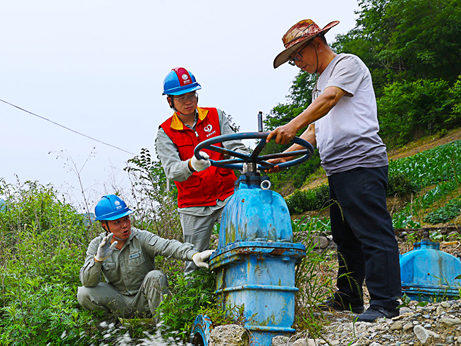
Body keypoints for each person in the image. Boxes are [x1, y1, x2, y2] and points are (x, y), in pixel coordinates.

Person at [267, 19, 402, 322]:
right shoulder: (318, 87)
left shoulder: (346, 65)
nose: (297, 63)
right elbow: (314, 132)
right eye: (292, 60)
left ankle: (385, 302)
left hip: (361, 162)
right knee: (346, 237)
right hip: (338, 168)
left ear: (316, 44)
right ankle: (349, 298)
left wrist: (291, 125)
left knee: (372, 231)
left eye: (297, 56)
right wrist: (280, 158)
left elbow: (329, 102)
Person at [155, 67, 251, 273]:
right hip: (194, 206)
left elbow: (235, 146)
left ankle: (239, 292)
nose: (189, 101)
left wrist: (246, 161)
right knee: (194, 261)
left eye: (192, 95)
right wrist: (192, 164)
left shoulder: (215, 116)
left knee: (243, 246)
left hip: (227, 197)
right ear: (170, 101)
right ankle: (194, 301)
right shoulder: (166, 132)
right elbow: (172, 170)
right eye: (182, 97)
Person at [77, 194, 213, 317]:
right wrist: (98, 259)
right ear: (105, 226)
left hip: (145, 301)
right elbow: (88, 282)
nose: (125, 225)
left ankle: (163, 332)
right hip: (119, 302)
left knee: (155, 276)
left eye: (126, 219)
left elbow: (166, 245)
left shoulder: (140, 237)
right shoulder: (96, 245)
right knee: (84, 293)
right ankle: (113, 333)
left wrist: (194, 254)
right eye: (117, 222)